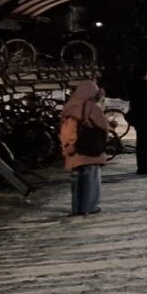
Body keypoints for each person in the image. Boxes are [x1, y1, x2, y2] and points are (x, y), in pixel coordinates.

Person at [60, 80, 111, 215]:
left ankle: (77, 208)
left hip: (73, 150)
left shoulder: (69, 106)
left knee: (76, 182)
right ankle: (91, 207)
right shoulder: (91, 107)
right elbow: (103, 125)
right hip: (89, 150)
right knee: (91, 180)